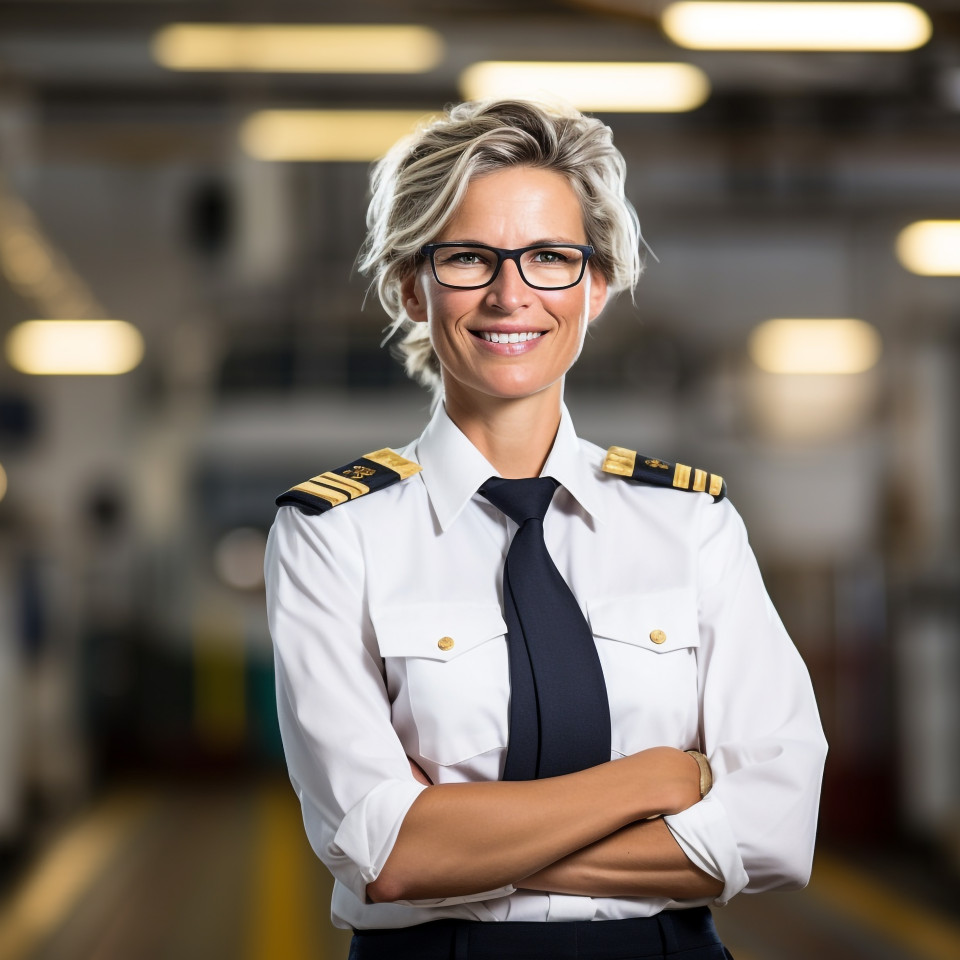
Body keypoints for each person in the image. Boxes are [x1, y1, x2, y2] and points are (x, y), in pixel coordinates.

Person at [264, 99, 827, 960]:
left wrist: (463, 840)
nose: (510, 293)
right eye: (468, 258)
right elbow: (391, 852)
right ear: (411, 286)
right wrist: (657, 780)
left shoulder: (691, 524)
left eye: (550, 257)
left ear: (595, 287)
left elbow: (778, 827)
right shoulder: (332, 537)